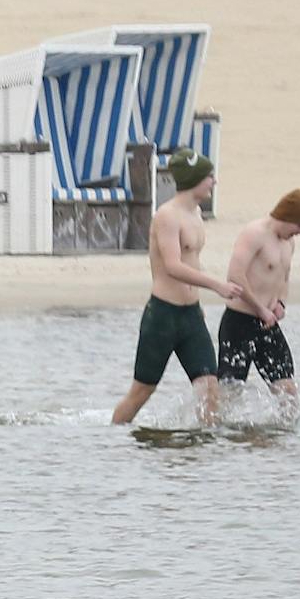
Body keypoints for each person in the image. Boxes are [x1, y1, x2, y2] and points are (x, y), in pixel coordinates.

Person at [111, 149, 242, 425]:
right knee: (142, 391)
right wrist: (217, 285)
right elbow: (173, 266)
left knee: (209, 388)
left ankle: (203, 452)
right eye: (209, 177)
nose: (214, 182)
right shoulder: (166, 216)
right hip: (163, 316)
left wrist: (213, 292)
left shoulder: (195, 214)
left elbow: (192, 263)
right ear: (194, 178)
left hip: (191, 316)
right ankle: (112, 439)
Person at [219, 188, 300, 409]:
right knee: (229, 394)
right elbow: (235, 275)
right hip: (239, 322)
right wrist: (260, 308)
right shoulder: (254, 233)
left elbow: (284, 278)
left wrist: (281, 302)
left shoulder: (288, 243)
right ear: (288, 216)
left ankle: (283, 440)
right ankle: (222, 440)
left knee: (288, 392)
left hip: (267, 325)